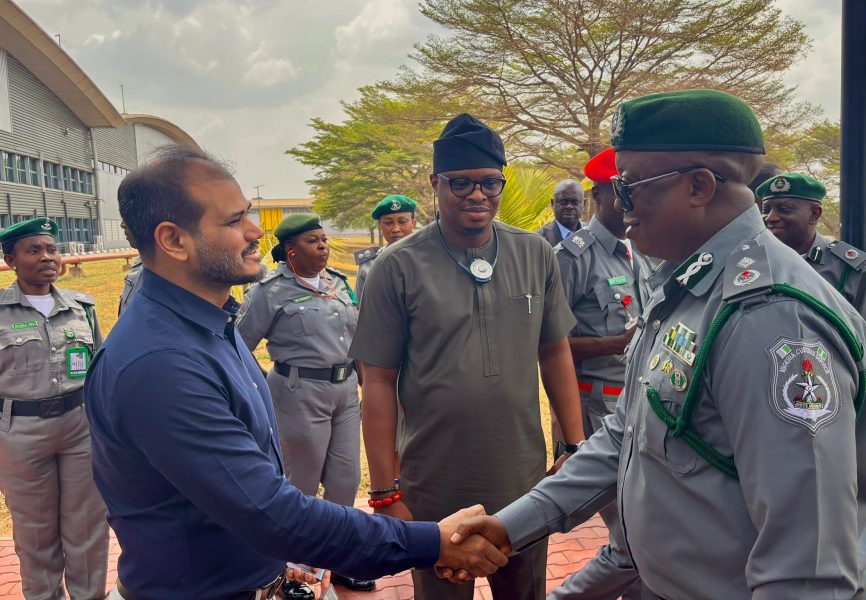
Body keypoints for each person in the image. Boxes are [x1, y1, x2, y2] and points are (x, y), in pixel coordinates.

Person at [445, 90, 866, 600]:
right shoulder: (687, 283)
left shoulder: (772, 318)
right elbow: (625, 437)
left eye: (629, 187)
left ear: (698, 186)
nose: (617, 205)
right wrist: (512, 525)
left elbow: (806, 573)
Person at [85, 145, 508, 600]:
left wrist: (279, 569)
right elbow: (271, 513)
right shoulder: (161, 364)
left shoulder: (208, 322)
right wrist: (432, 543)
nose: (254, 232)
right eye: (234, 221)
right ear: (173, 240)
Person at [349, 113, 585, 600]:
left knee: (524, 592)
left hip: (521, 477)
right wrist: (385, 492)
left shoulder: (534, 254)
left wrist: (573, 447)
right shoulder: (397, 266)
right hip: (434, 481)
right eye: (461, 183)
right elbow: (378, 382)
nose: (477, 195)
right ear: (435, 183)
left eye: (489, 183)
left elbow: (555, 351)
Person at [237, 213, 373, 597]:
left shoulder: (338, 283)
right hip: (298, 392)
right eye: (313, 241)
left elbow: (357, 339)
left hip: (345, 391)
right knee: (301, 484)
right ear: (291, 250)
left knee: (345, 480)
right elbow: (238, 347)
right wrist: (262, 388)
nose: (323, 246)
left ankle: (341, 562)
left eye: (324, 239)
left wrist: (366, 384)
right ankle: (294, 570)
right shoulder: (268, 291)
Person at [548, 147, 654, 600]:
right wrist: (613, 344)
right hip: (595, 406)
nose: (632, 204)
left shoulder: (639, 250)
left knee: (643, 527)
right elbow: (548, 345)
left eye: (636, 193)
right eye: (621, 194)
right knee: (631, 532)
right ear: (598, 197)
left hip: (638, 403)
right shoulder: (572, 257)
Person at [759, 171, 866, 460]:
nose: (772, 217)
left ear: (814, 214)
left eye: (784, 209)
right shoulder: (752, 264)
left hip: (831, 408)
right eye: (767, 209)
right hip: (763, 406)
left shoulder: (852, 270)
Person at [0, 217, 109, 600]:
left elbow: (100, 369)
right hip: (20, 433)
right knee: (35, 531)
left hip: (79, 427)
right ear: (11, 260)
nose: (47, 257)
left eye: (52, 249)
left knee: (87, 525)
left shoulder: (82, 308)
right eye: (34, 250)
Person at [355, 194, 418, 299]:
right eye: (388, 223)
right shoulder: (368, 265)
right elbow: (359, 305)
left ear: (413, 224)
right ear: (380, 226)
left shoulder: (429, 257)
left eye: (402, 222)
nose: (396, 229)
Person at [536, 179, 586, 246]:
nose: (569, 207)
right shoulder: (538, 240)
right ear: (553, 203)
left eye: (574, 202)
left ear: (584, 204)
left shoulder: (592, 235)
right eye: (563, 202)